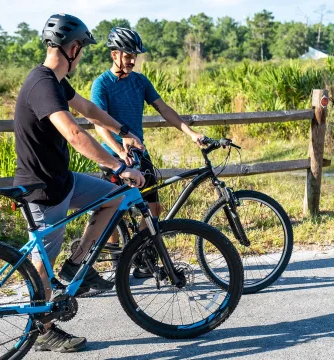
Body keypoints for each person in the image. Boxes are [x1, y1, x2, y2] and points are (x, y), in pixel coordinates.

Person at [13, 14, 145, 353]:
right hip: (41, 190)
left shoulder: (56, 82)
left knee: (116, 195)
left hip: (63, 181)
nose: (82, 54)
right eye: (82, 49)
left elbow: (86, 108)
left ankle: (77, 265)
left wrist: (123, 131)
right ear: (72, 49)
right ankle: (42, 331)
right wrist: (117, 164)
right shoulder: (42, 83)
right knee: (41, 265)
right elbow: (74, 133)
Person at [91, 27, 204, 277]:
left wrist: (191, 133)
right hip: (113, 157)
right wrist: (119, 151)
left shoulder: (140, 81)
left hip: (140, 155)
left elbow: (164, 109)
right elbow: (99, 125)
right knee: (112, 210)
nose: (132, 60)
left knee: (153, 206)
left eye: (135, 55)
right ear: (114, 55)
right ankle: (113, 258)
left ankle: (142, 256)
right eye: (127, 54)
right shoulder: (101, 84)